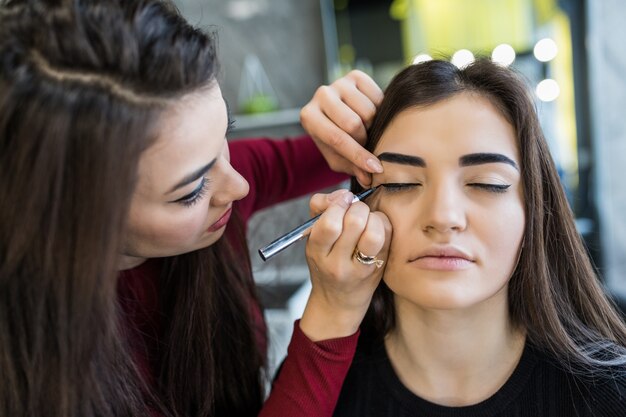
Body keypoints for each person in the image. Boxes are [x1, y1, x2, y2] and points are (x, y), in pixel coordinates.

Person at [0, 0, 391, 416]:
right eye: (190, 191)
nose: (238, 185)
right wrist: (332, 319)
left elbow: (348, 151)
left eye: (226, 135)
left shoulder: (207, 170)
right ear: (70, 216)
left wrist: (357, 117)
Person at [325, 59, 626, 416]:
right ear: (358, 207)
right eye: (399, 182)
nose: (443, 217)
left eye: (487, 184)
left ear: (533, 213)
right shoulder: (321, 385)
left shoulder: (609, 396)